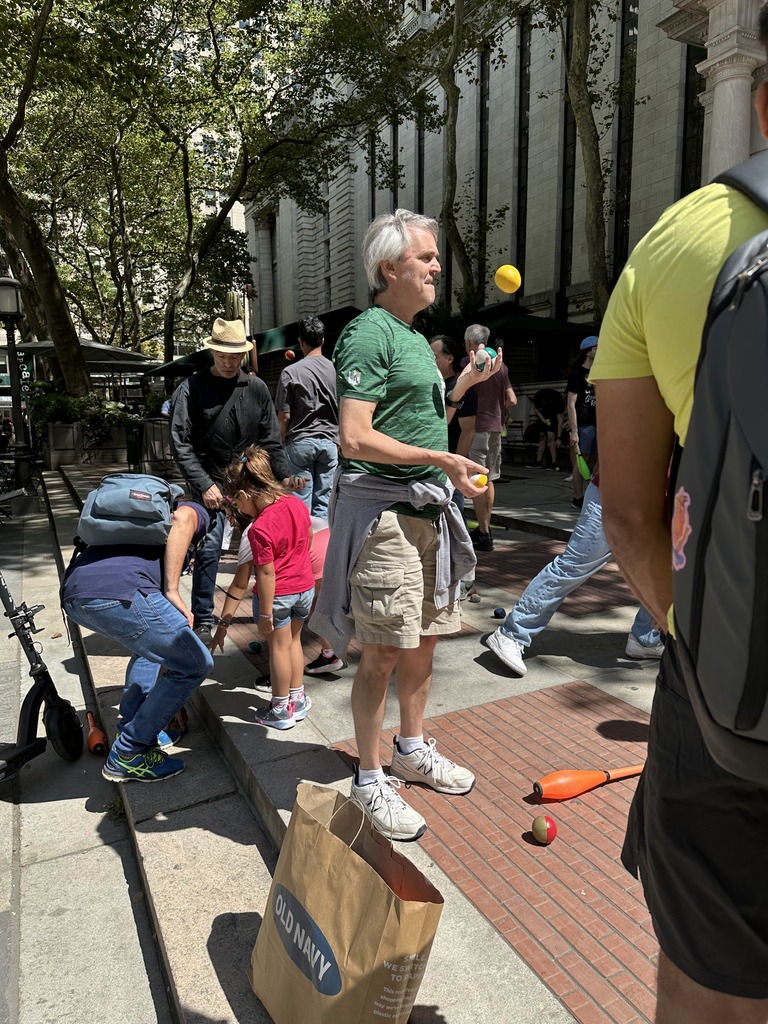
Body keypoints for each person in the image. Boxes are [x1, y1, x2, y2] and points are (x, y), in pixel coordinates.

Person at [590, 16, 768, 1018]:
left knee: (708, 983)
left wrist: (700, 640)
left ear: (763, 101)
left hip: (730, 694)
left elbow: (626, 512)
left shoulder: (683, 237)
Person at [311, 208, 501, 842]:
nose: (437, 267)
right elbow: (355, 437)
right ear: (389, 268)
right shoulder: (369, 334)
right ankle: (370, 779)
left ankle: (412, 751)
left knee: (424, 642)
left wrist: (463, 385)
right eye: (426, 257)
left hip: (425, 513)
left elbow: (424, 423)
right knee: (383, 651)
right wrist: (442, 461)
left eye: (435, 258)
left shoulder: (417, 339)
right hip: (385, 517)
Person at [61, 498, 214, 782]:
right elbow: (184, 518)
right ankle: (129, 750)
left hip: (76, 593)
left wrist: (165, 703)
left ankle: (136, 728)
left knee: (147, 650)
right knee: (195, 663)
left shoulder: (136, 523)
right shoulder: (196, 510)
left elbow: (159, 647)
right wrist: (173, 590)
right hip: (119, 592)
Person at [169, 317, 293, 646]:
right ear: (213, 353)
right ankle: (203, 619)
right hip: (210, 480)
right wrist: (202, 484)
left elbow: (271, 440)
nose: (228, 362)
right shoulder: (191, 388)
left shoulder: (256, 388)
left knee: (268, 549)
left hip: (250, 483)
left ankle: (273, 614)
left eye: (235, 356)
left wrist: (284, 475)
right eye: (223, 356)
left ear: (243, 354)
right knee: (210, 549)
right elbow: (180, 443)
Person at [486, 474, 663, 675]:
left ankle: (645, 639)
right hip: (615, 497)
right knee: (573, 567)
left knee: (661, 571)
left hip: (655, 505)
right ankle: (511, 633)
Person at [214, 446, 315, 731]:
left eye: (237, 502)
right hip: (304, 587)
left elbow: (266, 572)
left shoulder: (260, 528)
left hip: (279, 594)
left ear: (244, 494)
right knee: (294, 642)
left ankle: (280, 707)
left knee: (278, 649)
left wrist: (265, 613)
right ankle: (298, 698)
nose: (240, 509)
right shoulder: (296, 503)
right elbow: (308, 536)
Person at [274, 315, 339, 519]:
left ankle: (302, 539)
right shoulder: (336, 371)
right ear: (322, 340)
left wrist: (280, 442)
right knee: (324, 503)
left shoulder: (290, 372)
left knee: (300, 501)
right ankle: (322, 539)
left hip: (299, 444)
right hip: (330, 444)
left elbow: (284, 416)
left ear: (300, 342)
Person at [463, 324, 517, 551]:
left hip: (476, 427)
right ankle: (485, 528)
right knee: (490, 478)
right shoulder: (500, 365)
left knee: (476, 479)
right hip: (496, 426)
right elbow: (512, 400)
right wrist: (497, 408)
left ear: (468, 343)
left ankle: (484, 533)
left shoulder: (469, 364)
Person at [565, 337, 598, 509]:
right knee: (582, 461)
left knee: (598, 460)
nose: (600, 350)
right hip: (584, 424)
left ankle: (593, 496)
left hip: (598, 423)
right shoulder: (577, 374)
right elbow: (571, 403)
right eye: (596, 347)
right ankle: (578, 498)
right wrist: (575, 431)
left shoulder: (599, 372)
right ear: (588, 351)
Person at [527, 387, 564, 470]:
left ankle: (554, 462)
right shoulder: (538, 397)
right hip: (544, 416)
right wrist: (543, 419)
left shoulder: (558, 401)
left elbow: (560, 420)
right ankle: (538, 461)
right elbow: (536, 408)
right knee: (542, 436)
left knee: (551, 437)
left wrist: (559, 437)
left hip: (554, 418)